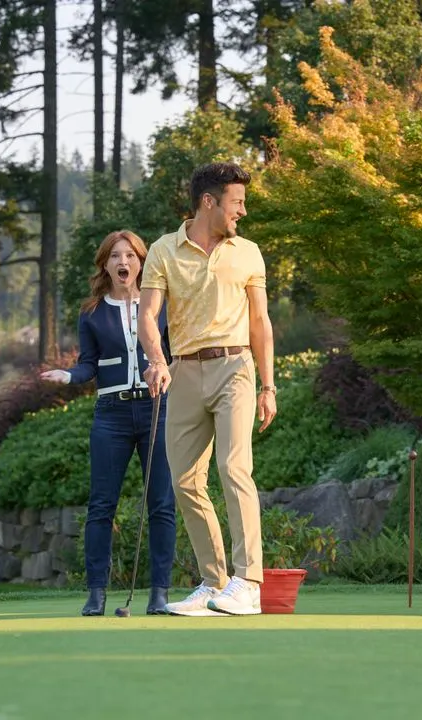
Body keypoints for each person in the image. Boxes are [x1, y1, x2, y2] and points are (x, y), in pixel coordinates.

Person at [138, 162, 277, 617]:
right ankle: (215, 581)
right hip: (183, 371)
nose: (243, 211)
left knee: (234, 468)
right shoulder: (163, 250)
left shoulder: (248, 252)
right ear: (208, 202)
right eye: (237, 202)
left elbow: (260, 322)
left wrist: (268, 384)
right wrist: (157, 361)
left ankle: (249, 582)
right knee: (184, 480)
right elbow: (147, 316)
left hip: (235, 367)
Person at [40, 230, 176, 617]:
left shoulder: (163, 305)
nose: (123, 262)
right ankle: (96, 593)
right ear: (105, 264)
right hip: (111, 415)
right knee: (102, 506)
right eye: (115, 256)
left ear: (141, 262)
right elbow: (88, 363)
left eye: (131, 256)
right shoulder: (93, 312)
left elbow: (174, 353)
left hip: (157, 411)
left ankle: (159, 594)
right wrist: (67, 376)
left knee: (162, 504)